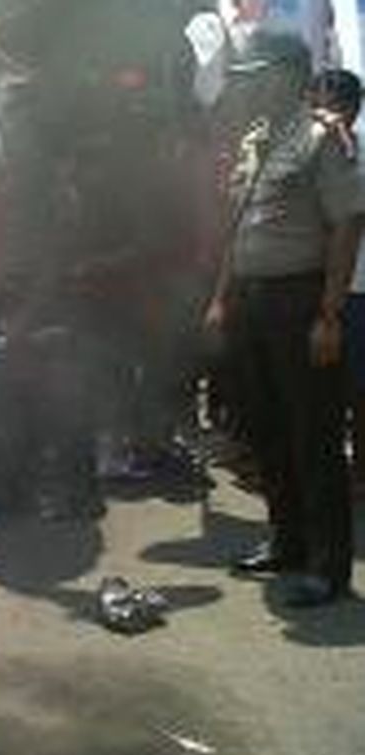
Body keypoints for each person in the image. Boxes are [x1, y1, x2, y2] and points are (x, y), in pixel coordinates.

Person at [206, 34, 364, 607]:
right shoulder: (256, 139)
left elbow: (347, 225)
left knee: (314, 433)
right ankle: (287, 541)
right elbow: (238, 227)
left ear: (292, 76)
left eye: (259, 75)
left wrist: (329, 312)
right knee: (266, 428)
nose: (248, 86)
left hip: (299, 300)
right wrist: (221, 298)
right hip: (250, 300)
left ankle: (328, 567)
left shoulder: (324, 137)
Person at [310, 69, 365, 491]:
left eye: (325, 104)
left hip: (356, 290)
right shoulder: (310, 152)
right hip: (322, 285)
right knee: (326, 386)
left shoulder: (354, 153)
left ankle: (358, 472)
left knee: (357, 387)